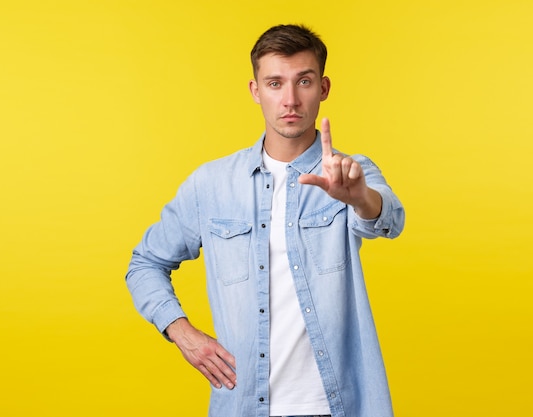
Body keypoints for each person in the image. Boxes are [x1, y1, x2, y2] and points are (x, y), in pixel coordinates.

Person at [126, 24, 405, 417]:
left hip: (338, 405)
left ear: (323, 88)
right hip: (244, 405)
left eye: (303, 81)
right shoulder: (211, 184)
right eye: (275, 83)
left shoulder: (348, 173)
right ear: (256, 91)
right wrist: (183, 333)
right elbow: (145, 264)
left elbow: (388, 216)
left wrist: (359, 198)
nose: (290, 99)